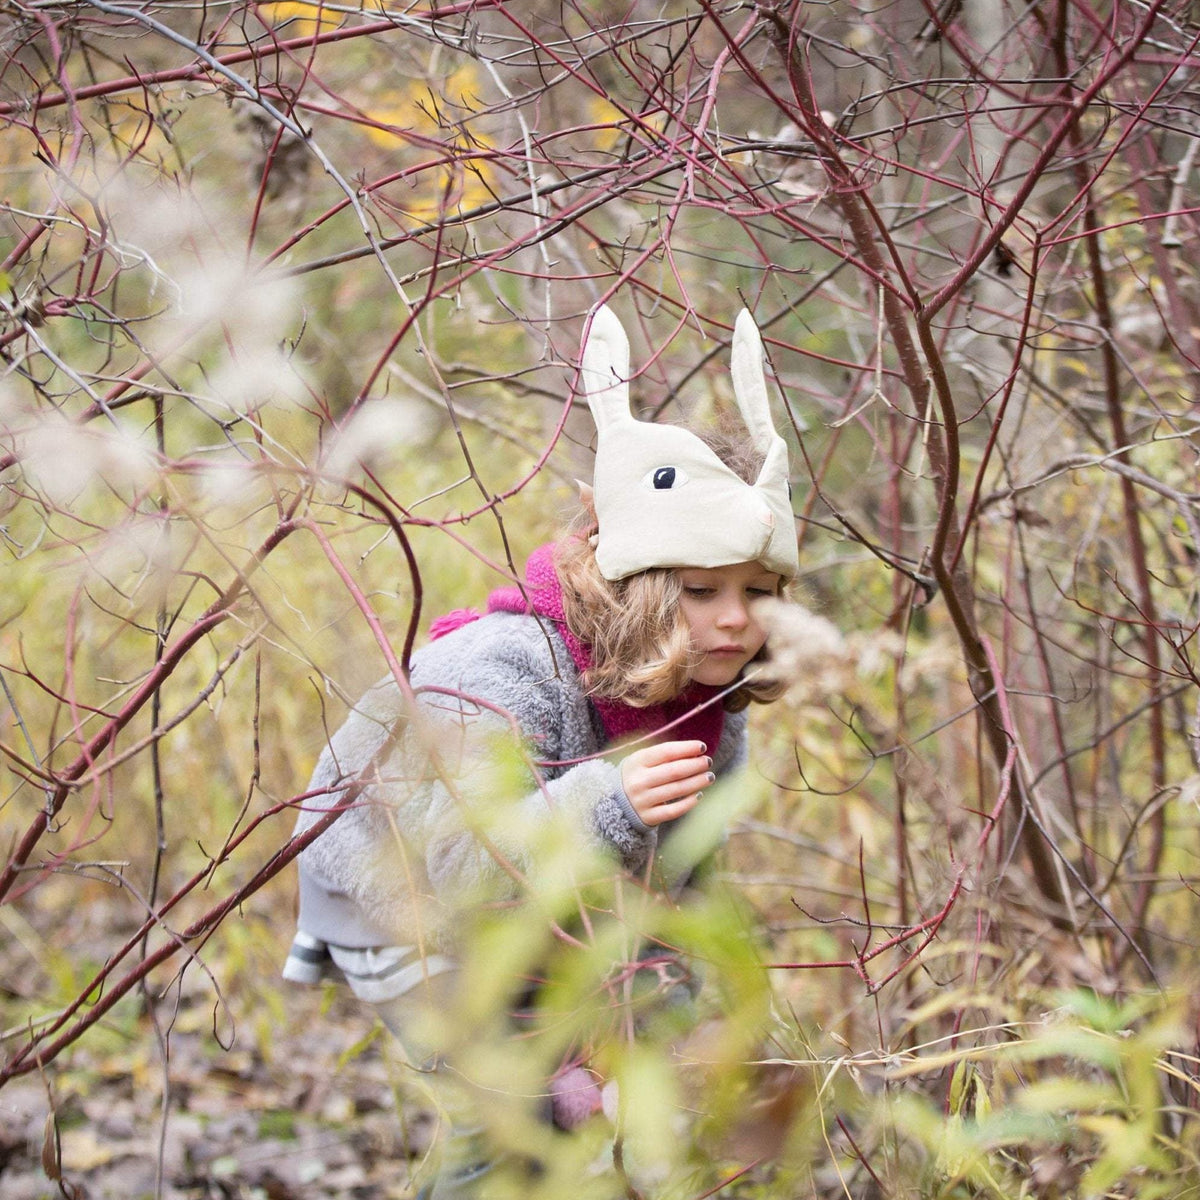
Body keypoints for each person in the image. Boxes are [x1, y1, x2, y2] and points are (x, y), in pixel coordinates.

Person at [282, 304, 800, 1197]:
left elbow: (682, 866)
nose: (736, 617)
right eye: (704, 588)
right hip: (390, 896)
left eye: (759, 590)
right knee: (513, 1125)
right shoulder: (505, 667)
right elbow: (452, 863)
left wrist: (667, 987)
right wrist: (610, 804)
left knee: (610, 1089)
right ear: (633, 584)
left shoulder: (711, 695)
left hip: (541, 907)